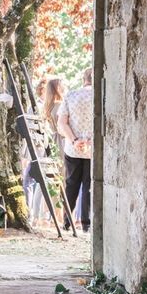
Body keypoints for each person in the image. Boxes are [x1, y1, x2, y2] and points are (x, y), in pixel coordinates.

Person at [57, 68, 93, 233]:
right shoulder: (99, 95)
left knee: (71, 184)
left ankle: (66, 221)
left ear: (83, 79)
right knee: (88, 184)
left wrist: (75, 140)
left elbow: (62, 123)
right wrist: (89, 141)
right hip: (92, 147)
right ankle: (87, 223)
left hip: (73, 147)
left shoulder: (71, 95)